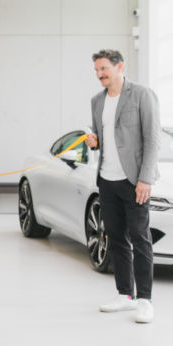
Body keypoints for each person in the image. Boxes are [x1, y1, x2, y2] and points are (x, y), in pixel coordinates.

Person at [85, 49, 160, 323]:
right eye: (96, 70)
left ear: (120, 67)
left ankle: (145, 300)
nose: (99, 74)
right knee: (116, 238)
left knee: (140, 239)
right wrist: (94, 142)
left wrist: (145, 179)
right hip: (106, 179)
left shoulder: (141, 94)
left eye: (103, 68)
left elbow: (152, 140)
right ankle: (125, 294)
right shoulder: (97, 101)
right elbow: (104, 139)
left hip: (134, 181)